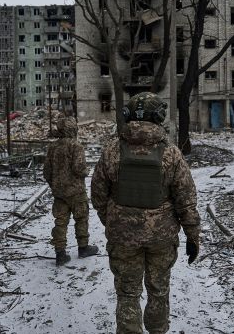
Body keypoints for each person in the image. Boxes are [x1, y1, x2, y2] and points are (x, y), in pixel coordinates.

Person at [91, 92, 200, 334]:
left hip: (123, 237)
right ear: (158, 117)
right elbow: (186, 200)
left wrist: (112, 220)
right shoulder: (171, 153)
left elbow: (97, 194)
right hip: (161, 238)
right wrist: (193, 236)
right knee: (159, 290)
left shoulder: (112, 151)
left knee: (128, 293)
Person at [43, 117, 99, 266]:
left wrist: (55, 185)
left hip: (59, 193)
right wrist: (86, 171)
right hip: (76, 191)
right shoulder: (76, 146)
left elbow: (47, 172)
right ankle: (83, 247)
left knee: (60, 221)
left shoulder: (52, 148)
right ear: (73, 129)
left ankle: (60, 253)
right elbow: (79, 169)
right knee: (81, 218)